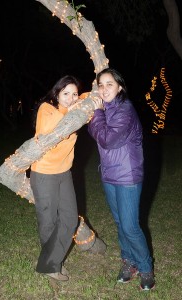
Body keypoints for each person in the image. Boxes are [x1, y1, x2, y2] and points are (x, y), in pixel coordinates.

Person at [88, 68, 155, 291]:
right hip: (108, 174)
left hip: (127, 176)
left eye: (109, 84)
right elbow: (96, 131)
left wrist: (96, 113)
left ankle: (146, 268)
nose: (104, 89)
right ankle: (129, 262)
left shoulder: (125, 110)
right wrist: (97, 112)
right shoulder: (105, 109)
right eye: (101, 85)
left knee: (130, 226)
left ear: (120, 87)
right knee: (120, 223)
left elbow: (106, 139)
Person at [30, 75, 82, 281]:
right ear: (57, 93)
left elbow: (91, 95)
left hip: (64, 172)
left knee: (70, 217)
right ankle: (52, 264)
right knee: (48, 221)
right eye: (66, 93)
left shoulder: (75, 108)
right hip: (44, 173)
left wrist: (85, 98)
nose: (71, 98)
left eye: (74, 94)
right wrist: (74, 109)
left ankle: (51, 260)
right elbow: (52, 130)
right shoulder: (47, 109)